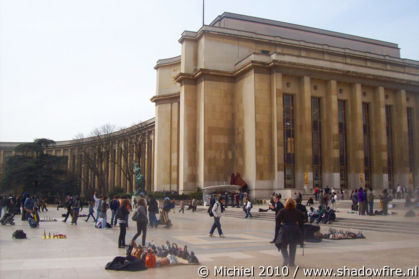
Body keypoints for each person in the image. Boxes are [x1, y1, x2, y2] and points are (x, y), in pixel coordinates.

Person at [275, 198, 304, 267]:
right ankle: (291, 263)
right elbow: (303, 218)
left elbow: (277, 218)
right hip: (294, 229)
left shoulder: (283, 211)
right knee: (293, 247)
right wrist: (298, 223)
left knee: (283, 245)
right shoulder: (297, 211)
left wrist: (280, 224)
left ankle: (286, 258)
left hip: (285, 229)